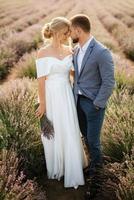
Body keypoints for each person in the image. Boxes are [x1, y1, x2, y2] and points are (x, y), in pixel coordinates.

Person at [35, 17, 86, 189]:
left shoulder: (69, 51)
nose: (68, 36)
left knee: (69, 128)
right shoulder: (42, 53)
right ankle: (58, 167)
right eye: (65, 33)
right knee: (54, 131)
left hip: (66, 95)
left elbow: (73, 74)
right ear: (57, 33)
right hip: (51, 96)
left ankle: (71, 166)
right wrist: (42, 104)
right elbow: (41, 81)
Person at [70, 14, 115, 178]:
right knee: (86, 138)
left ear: (78, 30)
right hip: (78, 102)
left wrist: (97, 103)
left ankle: (98, 175)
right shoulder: (76, 50)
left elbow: (109, 82)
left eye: (71, 31)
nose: (69, 34)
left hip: (93, 104)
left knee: (94, 142)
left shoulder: (101, 52)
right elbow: (77, 76)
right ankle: (92, 166)